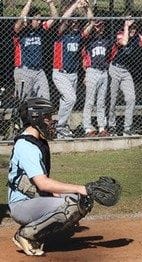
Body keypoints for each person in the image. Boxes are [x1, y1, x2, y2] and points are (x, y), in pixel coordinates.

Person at [7, 97, 93, 256]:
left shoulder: (36, 141)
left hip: (33, 199)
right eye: (47, 117)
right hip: (22, 205)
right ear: (35, 118)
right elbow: (43, 184)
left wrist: (78, 194)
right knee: (71, 205)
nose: (51, 121)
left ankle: (41, 234)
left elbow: (40, 187)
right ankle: (26, 235)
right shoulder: (27, 146)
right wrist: (82, 188)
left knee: (80, 200)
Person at [52, 0, 94, 139]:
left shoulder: (79, 36)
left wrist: (87, 7)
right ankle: (60, 126)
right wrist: (76, 4)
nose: (75, 24)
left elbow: (91, 23)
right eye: (73, 22)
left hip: (73, 75)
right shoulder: (61, 34)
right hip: (60, 73)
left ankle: (61, 130)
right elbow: (64, 19)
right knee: (71, 99)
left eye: (77, 22)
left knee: (65, 101)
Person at [108, 17, 142, 136]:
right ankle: (111, 125)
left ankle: (127, 127)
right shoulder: (120, 34)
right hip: (115, 68)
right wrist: (126, 26)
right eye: (131, 27)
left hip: (126, 71)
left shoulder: (138, 38)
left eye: (134, 27)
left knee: (131, 98)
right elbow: (124, 42)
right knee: (112, 99)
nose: (133, 30)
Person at [13, 0, 58, 100]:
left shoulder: (41, 29)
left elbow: (54, 17)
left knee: (45, 100)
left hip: (39, 71)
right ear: (30, 20)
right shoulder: (20, 30)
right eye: (36, 19)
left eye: (40, 19)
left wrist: (50, 3)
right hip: (23, 70)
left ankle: (42, 115)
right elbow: (21, 18)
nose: (39, 21)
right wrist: (29, 1)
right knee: (24, 103)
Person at [82, 19, 111, 137]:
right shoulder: (88, 40)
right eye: (97, 26)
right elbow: (83, 57)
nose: (99, 28)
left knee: (101, 101)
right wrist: (85, 72)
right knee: (89, 101)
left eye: (101, 26)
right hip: (92, 71)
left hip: (103, 72)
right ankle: (87, 127)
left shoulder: (106, 41)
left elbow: (109, 56)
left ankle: (101, 127)